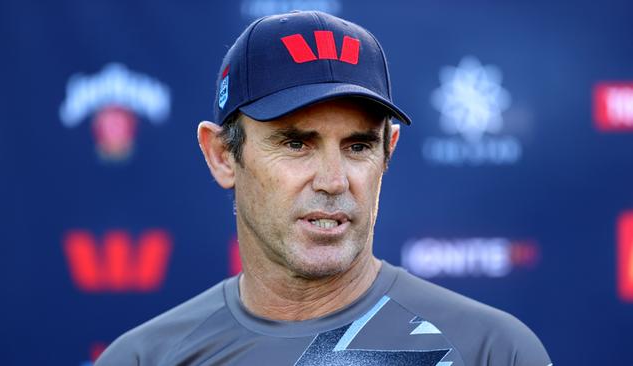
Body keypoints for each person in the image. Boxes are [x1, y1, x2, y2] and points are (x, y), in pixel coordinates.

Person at [96, 10, 552, 366]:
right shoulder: (145, 359)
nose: (334, 181)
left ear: (388, 150)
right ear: (221, 155)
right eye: (296, 143)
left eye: (357, 146)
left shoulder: (493, 353)